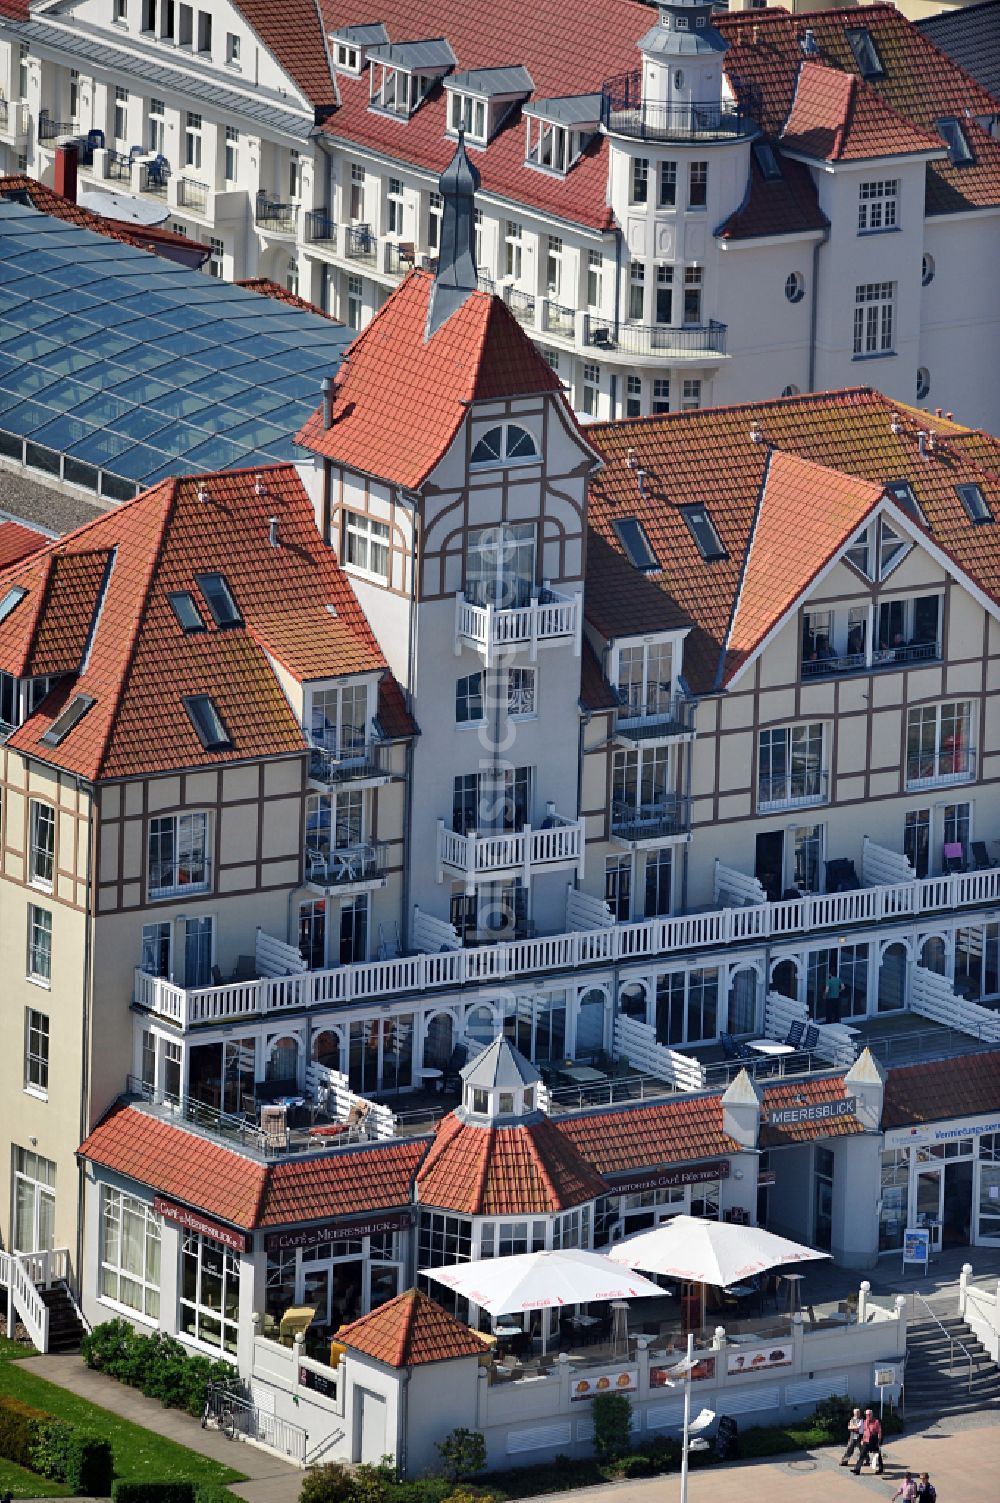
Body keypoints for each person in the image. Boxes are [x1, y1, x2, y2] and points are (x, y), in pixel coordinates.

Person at [853, 1408, 883, 1474]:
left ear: (872, 1414)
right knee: (862, 1455)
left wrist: (879, 1442)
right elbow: (863, 1431)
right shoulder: (865, 1422)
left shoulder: (876, 1422)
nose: (868, 1416)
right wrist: (861, 1440)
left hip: (874, 1440)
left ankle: (881, 1469)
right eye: (867, 1415)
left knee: (878, 1455)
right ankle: (857, 1470)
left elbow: (879, 1432)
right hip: (866, 1441)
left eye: (869, 1414)